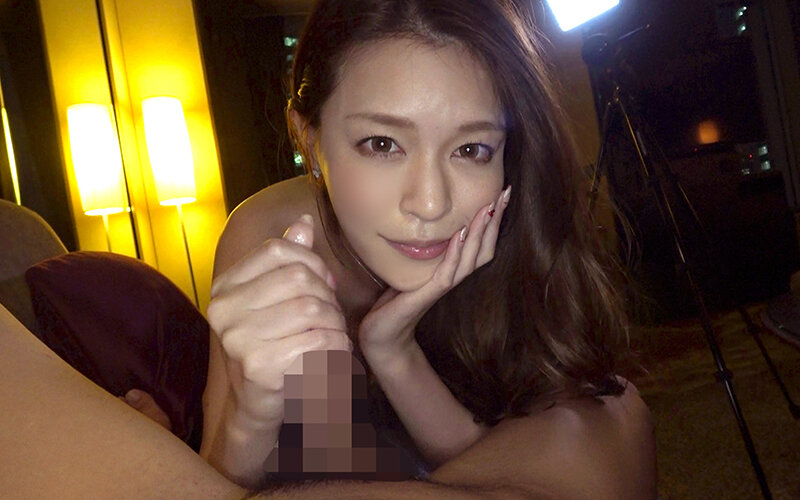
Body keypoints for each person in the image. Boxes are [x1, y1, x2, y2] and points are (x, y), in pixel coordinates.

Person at [0, 0, 656, 497]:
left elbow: (492, 461)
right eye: (382, 144)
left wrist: (391, 348)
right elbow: (224, 477)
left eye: (471, 148)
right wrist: (251, 411)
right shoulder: (274, 240)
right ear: (309, 139)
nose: (430, 203)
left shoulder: (511, 224)